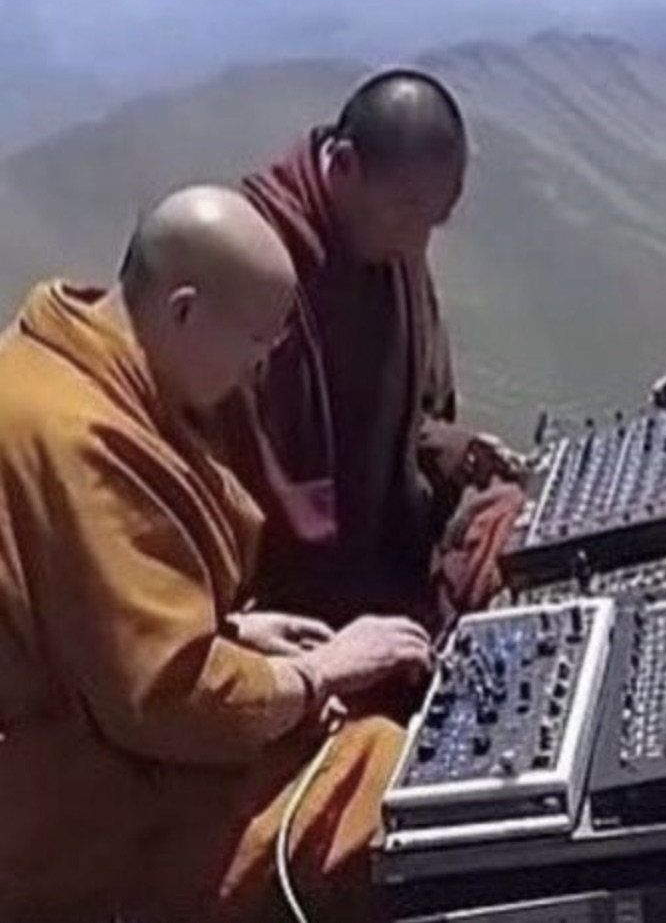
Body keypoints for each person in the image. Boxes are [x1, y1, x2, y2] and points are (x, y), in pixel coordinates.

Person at [0, 187, 433, 923]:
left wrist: (231, 635)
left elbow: (91, 615)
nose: (262, 368)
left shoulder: (51, 357)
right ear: (184, 311)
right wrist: (312, 672)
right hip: (75, 815)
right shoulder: (78, 437)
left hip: (109, 747)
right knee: (376, 793)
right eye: (259, 340)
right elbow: (165, 698)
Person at [221, 69, 527, 628]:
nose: (418, 243)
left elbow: (402, 416)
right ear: (343, 167)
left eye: (435, 220)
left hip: (392, 547)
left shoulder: (389, 242)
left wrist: (449, 446)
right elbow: (251, 473)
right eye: (409, 213)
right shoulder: (256, 262)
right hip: (302, 598)